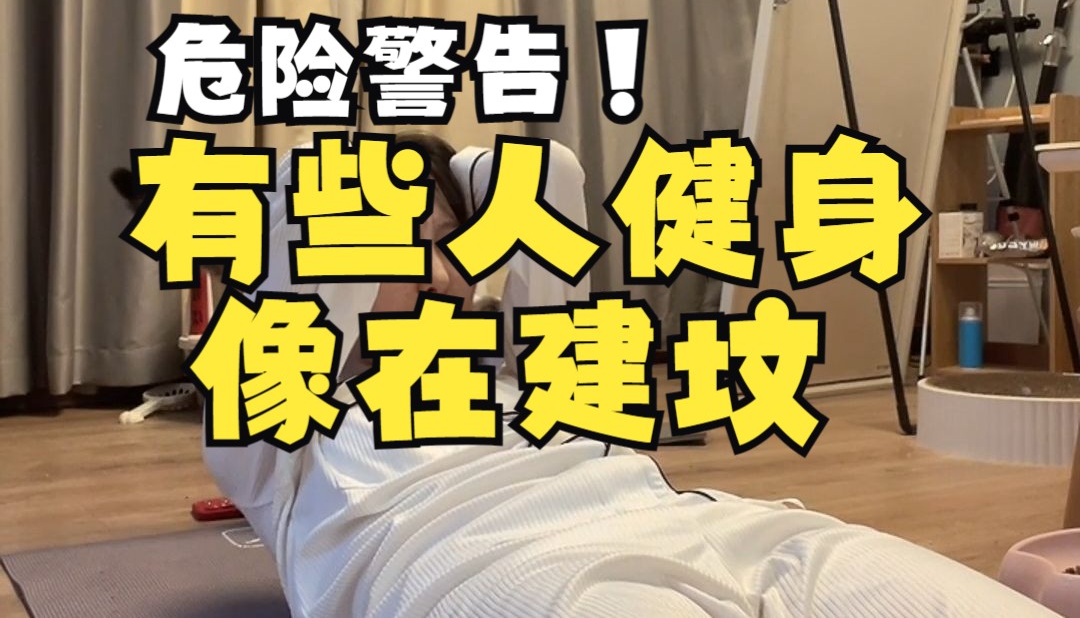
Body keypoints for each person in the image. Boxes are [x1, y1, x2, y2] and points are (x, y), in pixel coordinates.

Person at [204, 134, 1053, 618]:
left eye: (454, 246)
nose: (444, 272)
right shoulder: (282, 437)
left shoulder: (522, 369)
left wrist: (459, 183)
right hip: (510, 577)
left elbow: (549, 174)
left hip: (712, 529)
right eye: (404, 246)